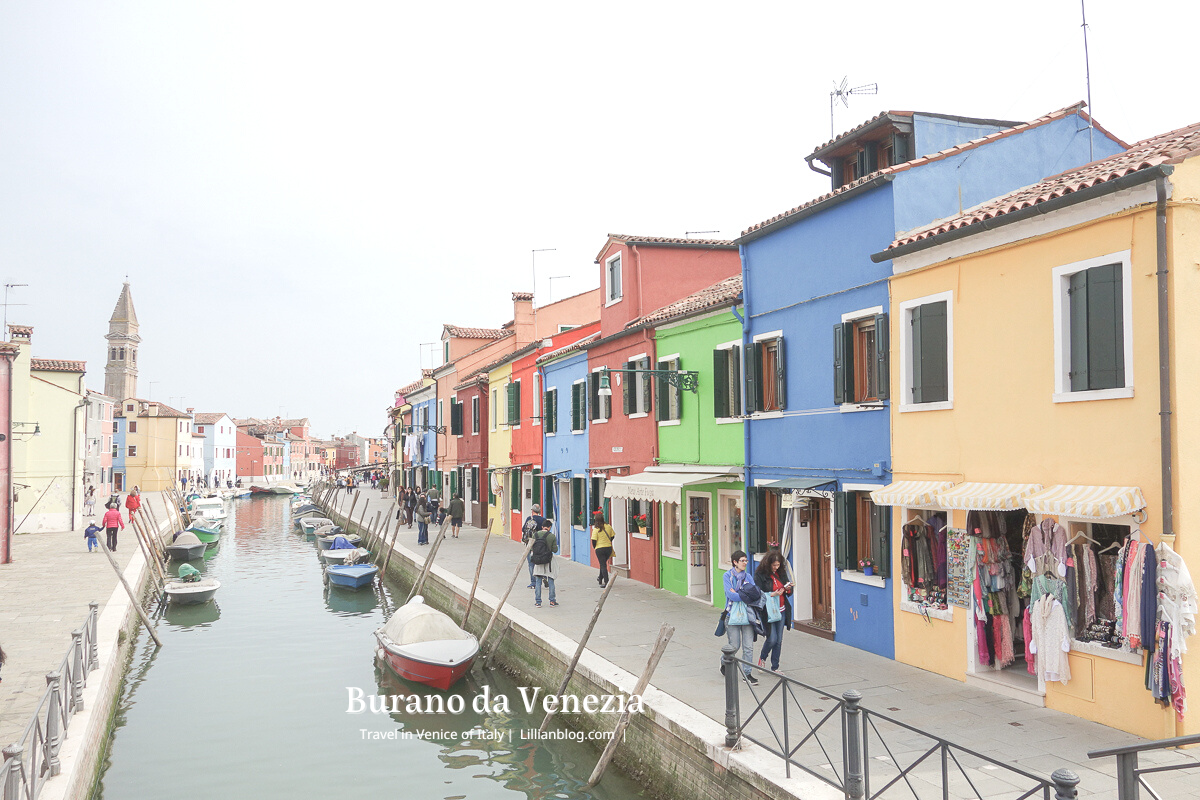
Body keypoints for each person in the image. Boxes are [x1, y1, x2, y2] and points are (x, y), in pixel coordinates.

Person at [753, 549, 794, 672]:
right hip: (768, 611)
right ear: (768, 563)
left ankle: (775, 667)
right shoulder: (760, 575)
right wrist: (772, 594)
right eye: (774, 565)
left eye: (778, 564)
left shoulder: (781, 573)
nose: (776, 567)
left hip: (781, 609)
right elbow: (757, 594)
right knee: (772, 639)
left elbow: (789, 593)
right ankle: (762, 658)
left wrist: (787, 589)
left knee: (779, 640)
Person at [723, 550, 760, 685]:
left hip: (748, 615)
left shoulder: (748, 577)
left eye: (746, 560)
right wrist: (744, 594)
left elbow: (755, 594)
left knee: (748, 647)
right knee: (734, 646)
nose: (745, 563)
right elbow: (731, 596)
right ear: (735, 562)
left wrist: (739, 593)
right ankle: (724, 660)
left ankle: (747, 673)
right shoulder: (727, 576)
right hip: (731, 614)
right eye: (742, 561)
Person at [531, 518, 558, 608]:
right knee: (551, 580)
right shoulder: (552, 536)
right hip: (548, 561)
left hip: (538, 561)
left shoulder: (535, 535)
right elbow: (555, 550)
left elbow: (532, 548)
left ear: (542, 527)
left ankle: (538, 602)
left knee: (538, 580)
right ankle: (552, 601)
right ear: (549, 527)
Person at [521, 504, 547, 588]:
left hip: (530, 544)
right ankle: (543, 576)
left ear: (532, 510)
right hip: (540, 544)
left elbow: (523, 529)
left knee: (531, 563)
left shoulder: (529, 519)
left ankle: (533, 582)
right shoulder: (543, 520)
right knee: (541, 562)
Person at [591, 511, 616, 588]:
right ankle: (600, 578)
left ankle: (606, 582)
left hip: (600, 549)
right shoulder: (608, 526)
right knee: (603, 564)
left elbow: (593, 540)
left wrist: (595, 547)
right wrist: (608, 542)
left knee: (603, 565)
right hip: (608, 548)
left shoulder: (596, 529)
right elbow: (612, 536)